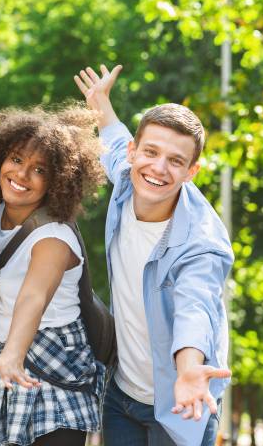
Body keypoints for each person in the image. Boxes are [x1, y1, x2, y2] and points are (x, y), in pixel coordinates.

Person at [74, 65, 233, 446]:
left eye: (176, 161)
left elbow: (196, 306)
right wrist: (100, 103)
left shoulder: (202, 243)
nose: (158, 168)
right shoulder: (129, 175)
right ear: (134, 153)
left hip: (182, 400)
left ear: (191, 171)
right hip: (123, 393)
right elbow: (113, 139)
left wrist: (191, 371)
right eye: (151, 152)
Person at [0, 107, 108, 446]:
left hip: (53, 363)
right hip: (0, 357)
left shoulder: (54, 237)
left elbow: (34, 296)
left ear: (58, 180)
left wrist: (14, 354)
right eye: (16, 159)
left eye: (39, 170)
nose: (22, 174)